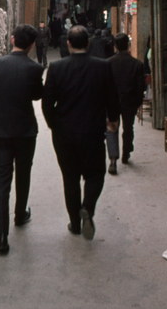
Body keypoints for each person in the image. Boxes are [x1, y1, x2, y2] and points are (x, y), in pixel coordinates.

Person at [42, 25, 119, 240]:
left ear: (68, 44)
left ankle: (75, 224)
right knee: (95, 174)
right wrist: (112, 120)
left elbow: (47, 103)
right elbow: (112, 98)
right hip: (93, 131)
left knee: (70, 178)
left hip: (64, 133)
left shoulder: (57, 68)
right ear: (88, 43)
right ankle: (88, 207)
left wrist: (54, 125)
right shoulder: (102, 67)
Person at [0, 24, 44, 255]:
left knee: (0, 183)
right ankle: (20, 214)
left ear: (12, 39)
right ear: (31, 45)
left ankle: (2, 236)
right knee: (23, 174)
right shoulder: (35, 68)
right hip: (25, 131)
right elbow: (37, 95)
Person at [105, 33, 146, 175]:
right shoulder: (137, 64)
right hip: (129, 102)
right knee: (128, 128)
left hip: (112, 102)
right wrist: (138, 102)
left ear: (115, 46)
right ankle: (126, 152)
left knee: (112, 129)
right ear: (128, 45)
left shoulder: (108, 63)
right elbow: (140, 87)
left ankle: (113, 160)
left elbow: (104, 85)